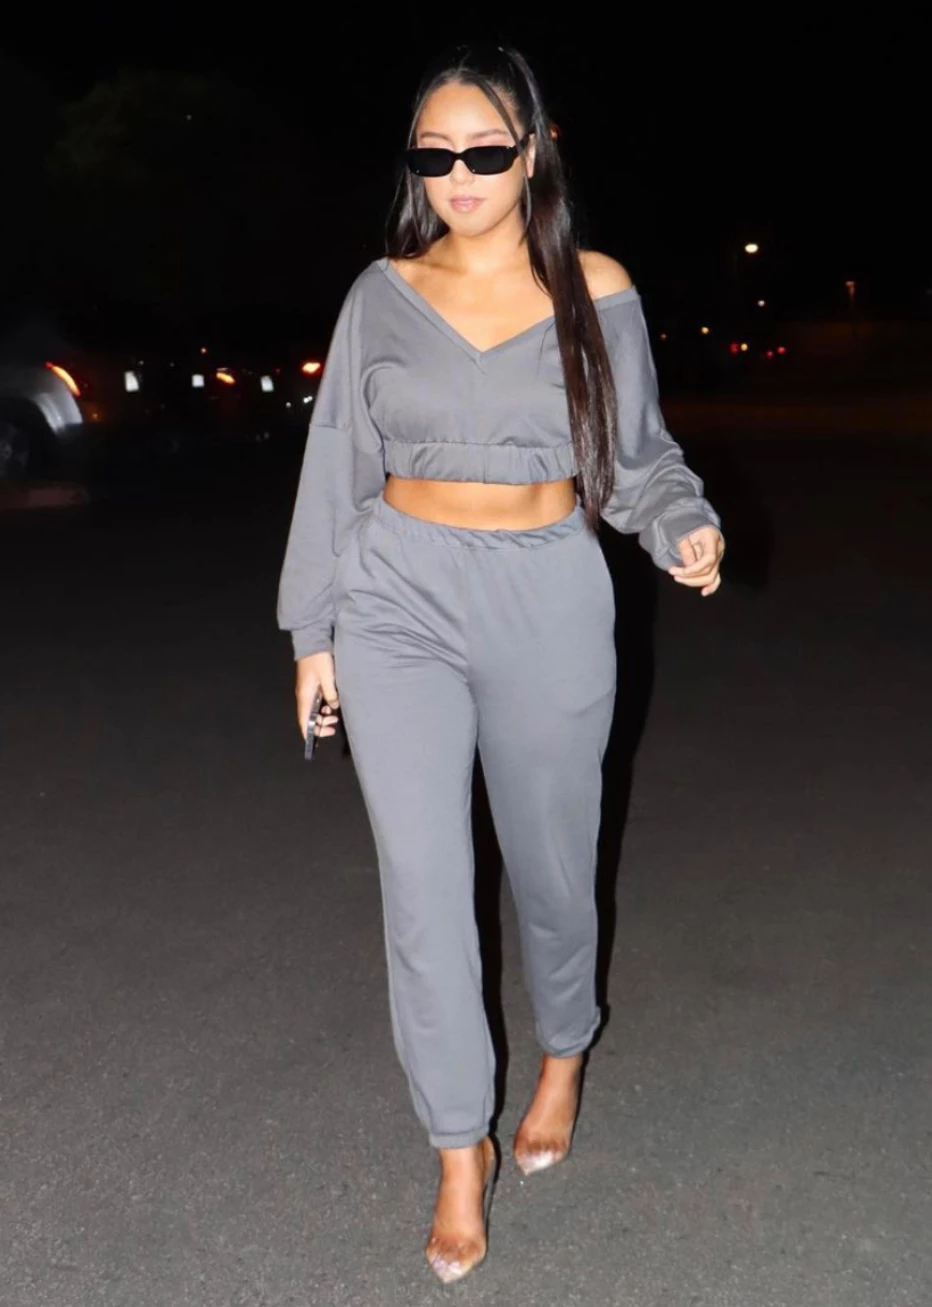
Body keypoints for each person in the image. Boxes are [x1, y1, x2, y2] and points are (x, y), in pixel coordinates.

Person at [277, 43, 724, 1284]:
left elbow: (633, 456)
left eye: (483, 148)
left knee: (550, 864)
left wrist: (680, 523)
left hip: (545, 589)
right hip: (396, 595)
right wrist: (313, 630)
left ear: (533, 149)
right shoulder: (380, 293)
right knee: (422, 886)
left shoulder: (593, 287)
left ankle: (564, 1049)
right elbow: (335, 464)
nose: (459, 173)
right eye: (434, 153)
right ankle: (455, 1146)